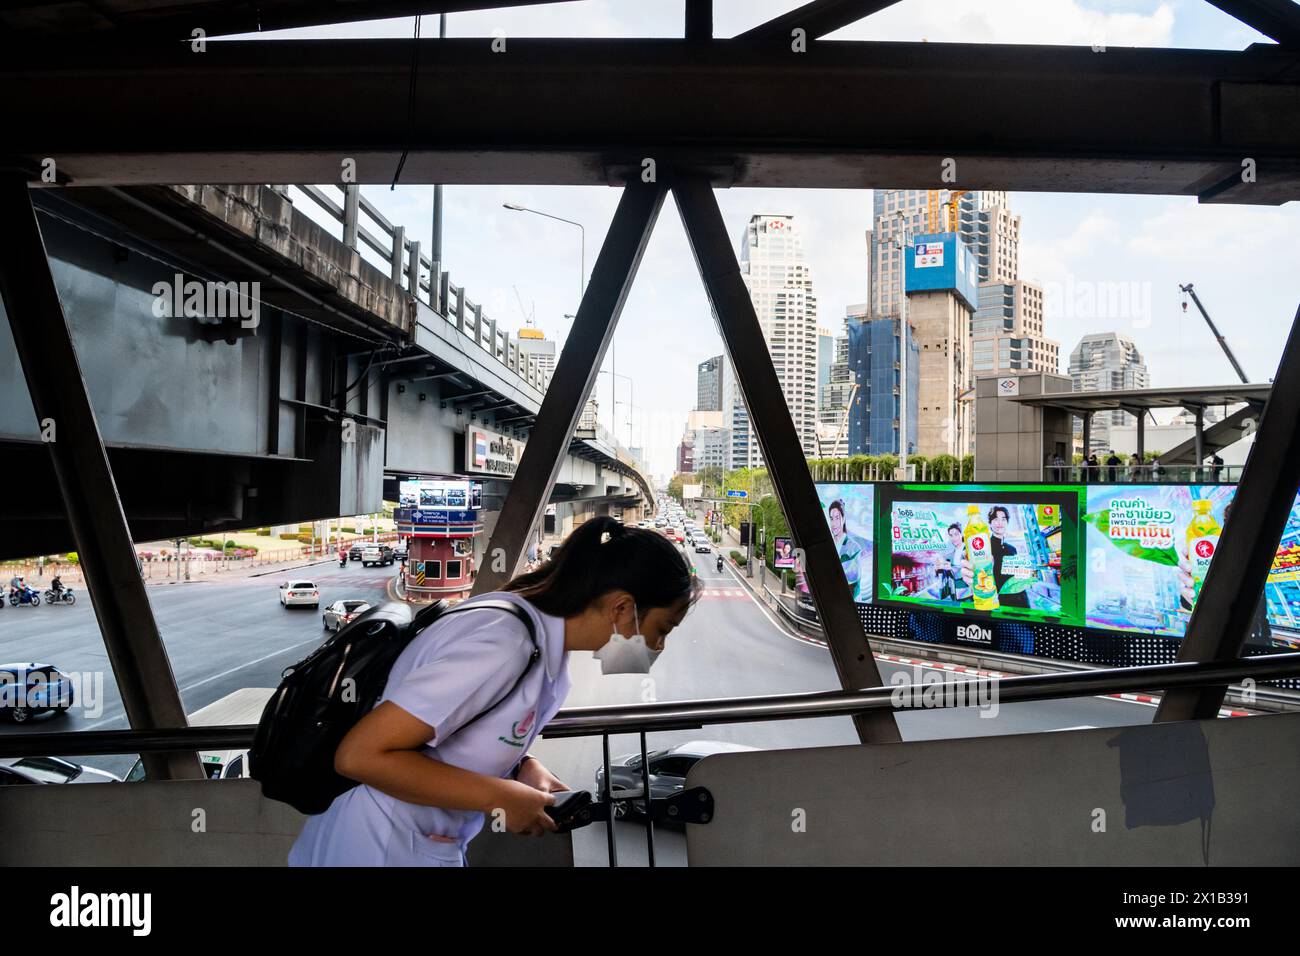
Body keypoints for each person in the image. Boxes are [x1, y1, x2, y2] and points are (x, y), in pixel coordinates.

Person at [289, 516, 698, 867]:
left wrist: (522, 769)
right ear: (622, 608)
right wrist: (500, 797)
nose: (658, 647)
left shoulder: (538, 643)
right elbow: (360, 755)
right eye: (661, 629)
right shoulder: (503, 643)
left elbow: (462, 730)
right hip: (375, 846)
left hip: (417, 843)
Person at [828, 499, 864, 601]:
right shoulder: (828, 545)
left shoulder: (854, 548)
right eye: (831, 518)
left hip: (851, 604)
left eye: (837, 518)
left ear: (843, 519)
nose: (833, 523)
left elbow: (853, 581)